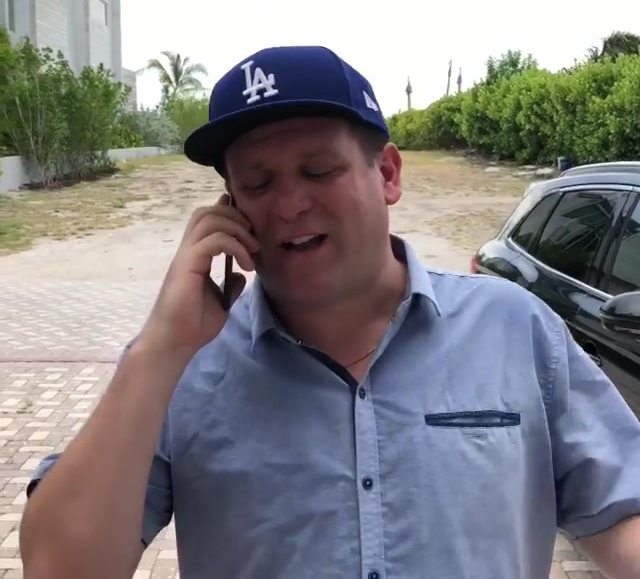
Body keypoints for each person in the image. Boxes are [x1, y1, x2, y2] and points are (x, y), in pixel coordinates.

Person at [19, 45, 640, 579]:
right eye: (257, 184)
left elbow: (622, 513)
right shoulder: (181, 367)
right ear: (228, 209)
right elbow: (58, 568)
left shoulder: (514, 329)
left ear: (387, 174)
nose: (289, 204)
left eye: (318, 170)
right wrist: (158, 351)